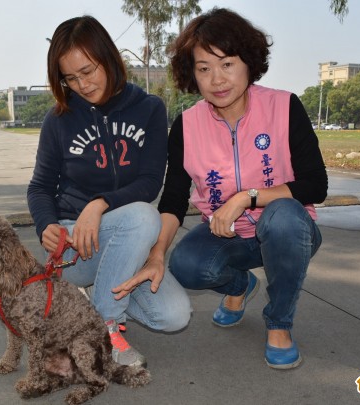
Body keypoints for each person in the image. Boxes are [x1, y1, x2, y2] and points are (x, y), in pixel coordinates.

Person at [113, 8, 327, 369]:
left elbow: (315, 185)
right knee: (186, 263)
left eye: (227, 63)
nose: (217, 79)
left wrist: (248, 196)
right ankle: (239, 287)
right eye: (203, 68)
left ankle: (279, 323)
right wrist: (156, 255)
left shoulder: (284, 106)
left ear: (248, 62)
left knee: (284, 218)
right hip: (226, 236)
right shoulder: (186, 125)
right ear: (191, 74)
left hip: (289, 230)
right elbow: (174, 200)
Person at [27, 15, 191, 368]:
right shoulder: (58, 120)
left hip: (127, 236)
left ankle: (94, 305)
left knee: (175, 315)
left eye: (88, 71)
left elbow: (150, 180)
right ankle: (104, 327)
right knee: (143, 217)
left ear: (110, 57)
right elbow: (40, 187)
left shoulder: (149, 109)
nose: (82, 84)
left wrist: (100, 204)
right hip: (76, 246)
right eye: (70, 78)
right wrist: (46, 226)